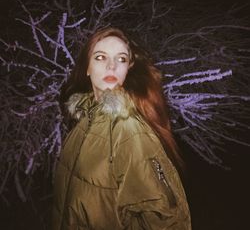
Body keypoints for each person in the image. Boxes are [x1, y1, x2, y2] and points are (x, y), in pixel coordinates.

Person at [52, 26, 191, 229]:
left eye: (121, 59)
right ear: (87, 68)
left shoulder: (127, 129)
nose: (111, 67)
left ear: (128, 68)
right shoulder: (84, 119)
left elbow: (166, 218)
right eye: (101, 57)